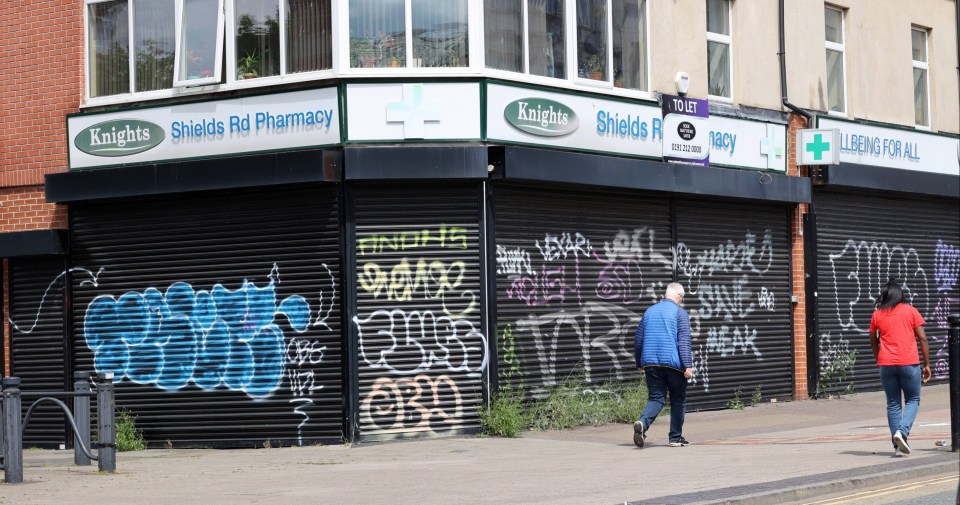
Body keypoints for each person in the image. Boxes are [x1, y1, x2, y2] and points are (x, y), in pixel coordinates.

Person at [868, 279, 931, 457]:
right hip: (909, 363)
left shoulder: (877, 314)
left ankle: (897, 448)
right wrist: (927, 364)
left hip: (886, 365)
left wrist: (879, 357)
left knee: (893, 403)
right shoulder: (910, 311)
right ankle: (902, 433)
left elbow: (872, 339)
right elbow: (923, 339)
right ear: (900, 294)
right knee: (913, 400)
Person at [633, 282, 693, 448]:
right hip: (673, 365)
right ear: (679, 296)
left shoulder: (649, 311)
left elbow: (638, 340)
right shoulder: (680, 313)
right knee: (678, 400)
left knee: (656, 398)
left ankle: (643, 423)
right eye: (682, 298)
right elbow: (684, 341)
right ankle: (675, 437)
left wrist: (639, 362)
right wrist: (688, 365)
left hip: (650, 363)